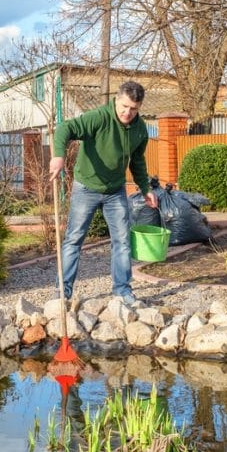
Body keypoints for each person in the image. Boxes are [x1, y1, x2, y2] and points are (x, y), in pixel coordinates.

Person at [48, 80, 158, 306]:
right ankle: (62, 293)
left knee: (122, 241)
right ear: (117, 100)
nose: (128, 112)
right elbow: (64, 129)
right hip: (86, 187)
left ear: (140, 107)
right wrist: (58, 155)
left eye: (134, 109)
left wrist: (145, 188)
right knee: (74, 239)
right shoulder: (99, 117)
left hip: (115, 190)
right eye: (124, 106)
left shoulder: (139, 129)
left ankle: (122, 291)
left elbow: (137, 161)